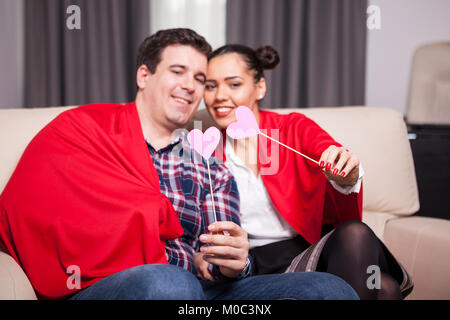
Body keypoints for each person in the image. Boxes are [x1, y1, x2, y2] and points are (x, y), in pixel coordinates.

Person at [0, 28, 358, 300]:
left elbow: (222, 255)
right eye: (177, 71)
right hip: (115, 283)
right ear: (144, 76)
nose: (191, 86)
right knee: (168, 281)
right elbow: (31, 208)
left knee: (326, 288)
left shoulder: (211, 167)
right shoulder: (86, 128)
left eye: (199, 78)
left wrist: (233, 262)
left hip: (206, 293)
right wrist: (158, 231)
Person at [200, 44, 414, 300]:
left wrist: (345, 172)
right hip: (252, 265)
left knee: (355, 235)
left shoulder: (290, 128)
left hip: (307, 253)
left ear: (260, 88)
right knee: (385, 288)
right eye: (211, 86)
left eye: (234, 84)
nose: (220, 96)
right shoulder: (204, 147)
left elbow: (327, 150)